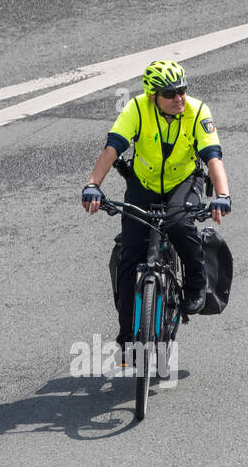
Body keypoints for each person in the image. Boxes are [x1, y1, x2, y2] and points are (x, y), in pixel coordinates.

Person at [82, 60, 231, 358]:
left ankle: (196, 286)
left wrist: (222, 194)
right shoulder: (136, 109)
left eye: (182, 90)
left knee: (179, 225)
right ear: (153, 96)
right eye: (170, 93)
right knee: (130, 255)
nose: (179, 98)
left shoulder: (198, 111)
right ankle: (126, 334)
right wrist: (93, 185)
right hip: (144, 184)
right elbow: (112, 148)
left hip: (183, 182)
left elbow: (213, 157)